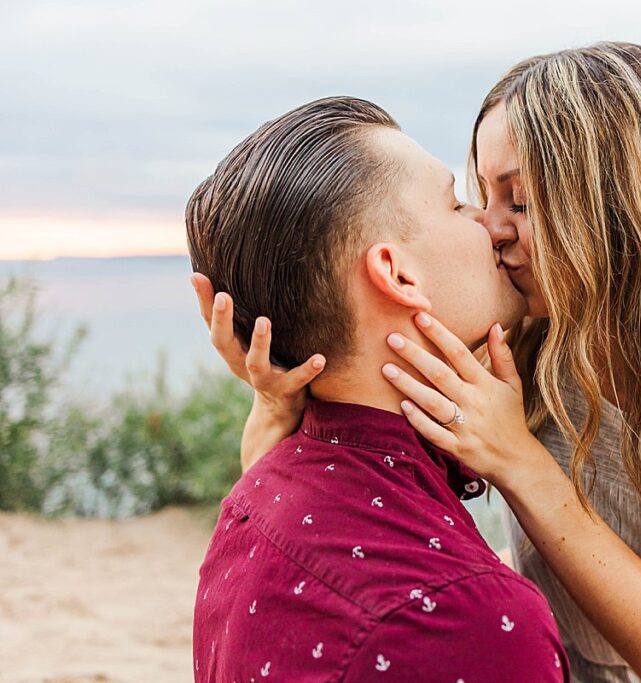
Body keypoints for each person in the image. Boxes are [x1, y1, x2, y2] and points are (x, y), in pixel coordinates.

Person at [196, 43, 641, 682]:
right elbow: (355, 483)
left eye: (520, 200)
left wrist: (517, 456)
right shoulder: (515, 331)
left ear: (627, 205)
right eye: (480, 196)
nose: (490, 226)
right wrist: (288, 387)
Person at [185, 96, 569, 683]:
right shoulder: (469, 618)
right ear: (397, 274)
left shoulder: (252, 501)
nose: (489, 224)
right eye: (456, 202)